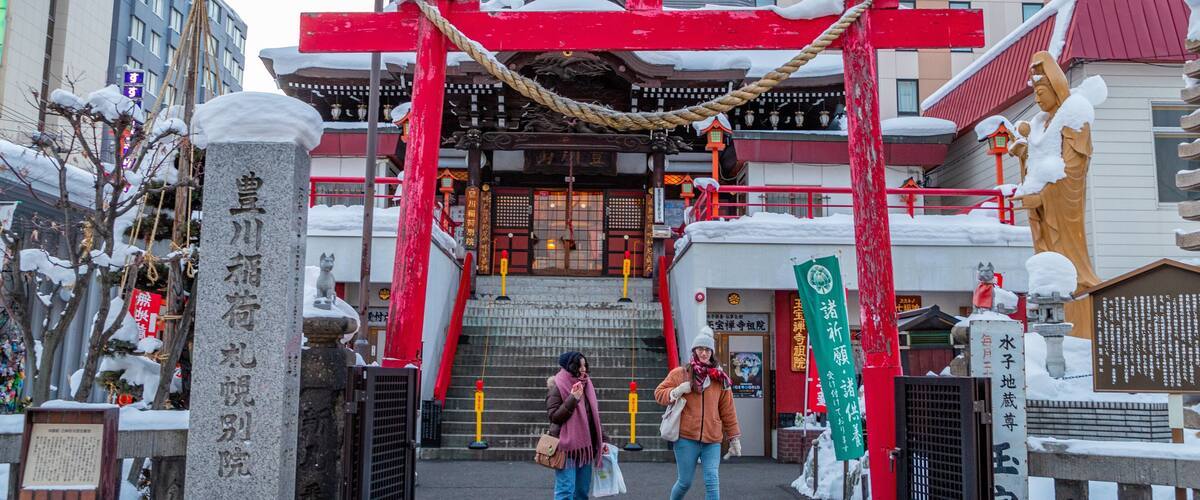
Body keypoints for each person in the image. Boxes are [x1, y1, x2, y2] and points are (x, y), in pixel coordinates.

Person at [655, 328, 741, 500]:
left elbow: (728, 410)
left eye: (707, 350)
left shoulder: (720, 378)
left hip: (712, 439)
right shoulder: (681, 374)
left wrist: (734, 437)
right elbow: (659, 394)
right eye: (700, 349)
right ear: (694, 350)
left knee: (712, 481)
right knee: (684, 482)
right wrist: (677, 390)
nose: (704, 353)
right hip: (686, 437)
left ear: (712, 353)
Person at [547, 351, 610, 500]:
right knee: (566, 491)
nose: (583, 369)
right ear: (569, 366)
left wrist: (603, 440)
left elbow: (593, 416)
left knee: (582, 491)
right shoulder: (558, 385)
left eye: (584, 365)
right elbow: (554, 417)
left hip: (585, 447)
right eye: (579, 365)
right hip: (565, 447)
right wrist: (572, 399)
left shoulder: (587, 384)